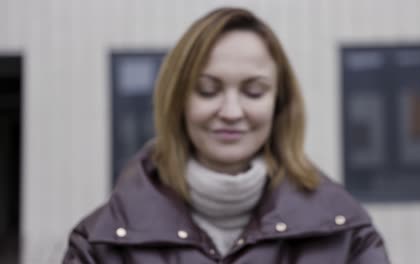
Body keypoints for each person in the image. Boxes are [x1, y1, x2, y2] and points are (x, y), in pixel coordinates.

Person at [63, 7, 390, 264]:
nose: (231, 111)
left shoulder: (347, 233)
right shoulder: (100, 244)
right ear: (177, 102)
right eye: (207, 90)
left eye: (253, 91)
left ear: (279, 103)